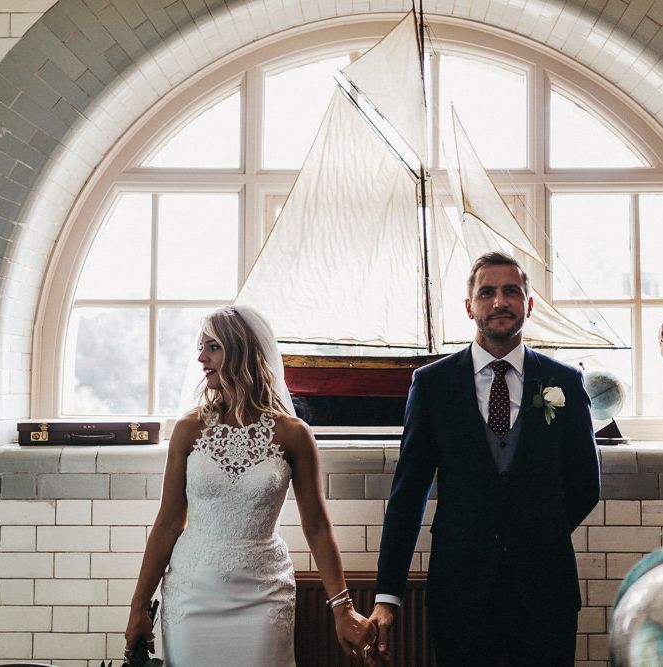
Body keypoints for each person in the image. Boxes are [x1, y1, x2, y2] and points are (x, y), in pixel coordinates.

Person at [367, 251, 601, 666]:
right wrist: (388, 595)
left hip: (545, 588)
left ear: (528, 305)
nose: (499, 302)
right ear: (469, 306)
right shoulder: (432, 384)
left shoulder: (564, 381)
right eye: (487, 292)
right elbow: (408, 495)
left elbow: (585, 484)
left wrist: (536, 535)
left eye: (512, 291)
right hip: (460, 589)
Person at [124, 305, 376, 666]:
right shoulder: (188, 430)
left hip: (263, 593)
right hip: (192, 594)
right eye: (201, 346)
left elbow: (318, 527)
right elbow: (167, 522)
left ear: (241, 351)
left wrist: (343, 609)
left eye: (212, 347)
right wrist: (138, 607)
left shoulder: (294, 435)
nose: (200, 357)